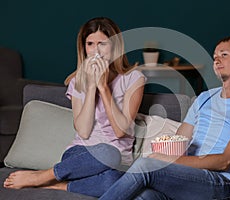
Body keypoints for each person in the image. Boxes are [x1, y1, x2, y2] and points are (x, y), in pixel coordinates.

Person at [99, 36, 230, 200]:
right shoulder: (204, 98)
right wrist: (162, 155)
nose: (216, 60)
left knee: (145, 166)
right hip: (186, 179)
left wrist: (168, 161)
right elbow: (178, 142)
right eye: (214, 56)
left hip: (221, 183)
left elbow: (225, 161)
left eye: (224, 55)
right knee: (143, 196)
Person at [3, 17, 146, 198]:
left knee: (114, 175)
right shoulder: (77, 81)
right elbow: (84, 131)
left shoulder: (134, 79)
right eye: (90, 44)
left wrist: (103, 88)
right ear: (84, 48)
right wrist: (91, 86)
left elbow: (120, 131)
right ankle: (45, 176)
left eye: (102, 44)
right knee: (106, 154)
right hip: (81, 156)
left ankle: (56, 183)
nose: (96, 51)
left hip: (117, 159)